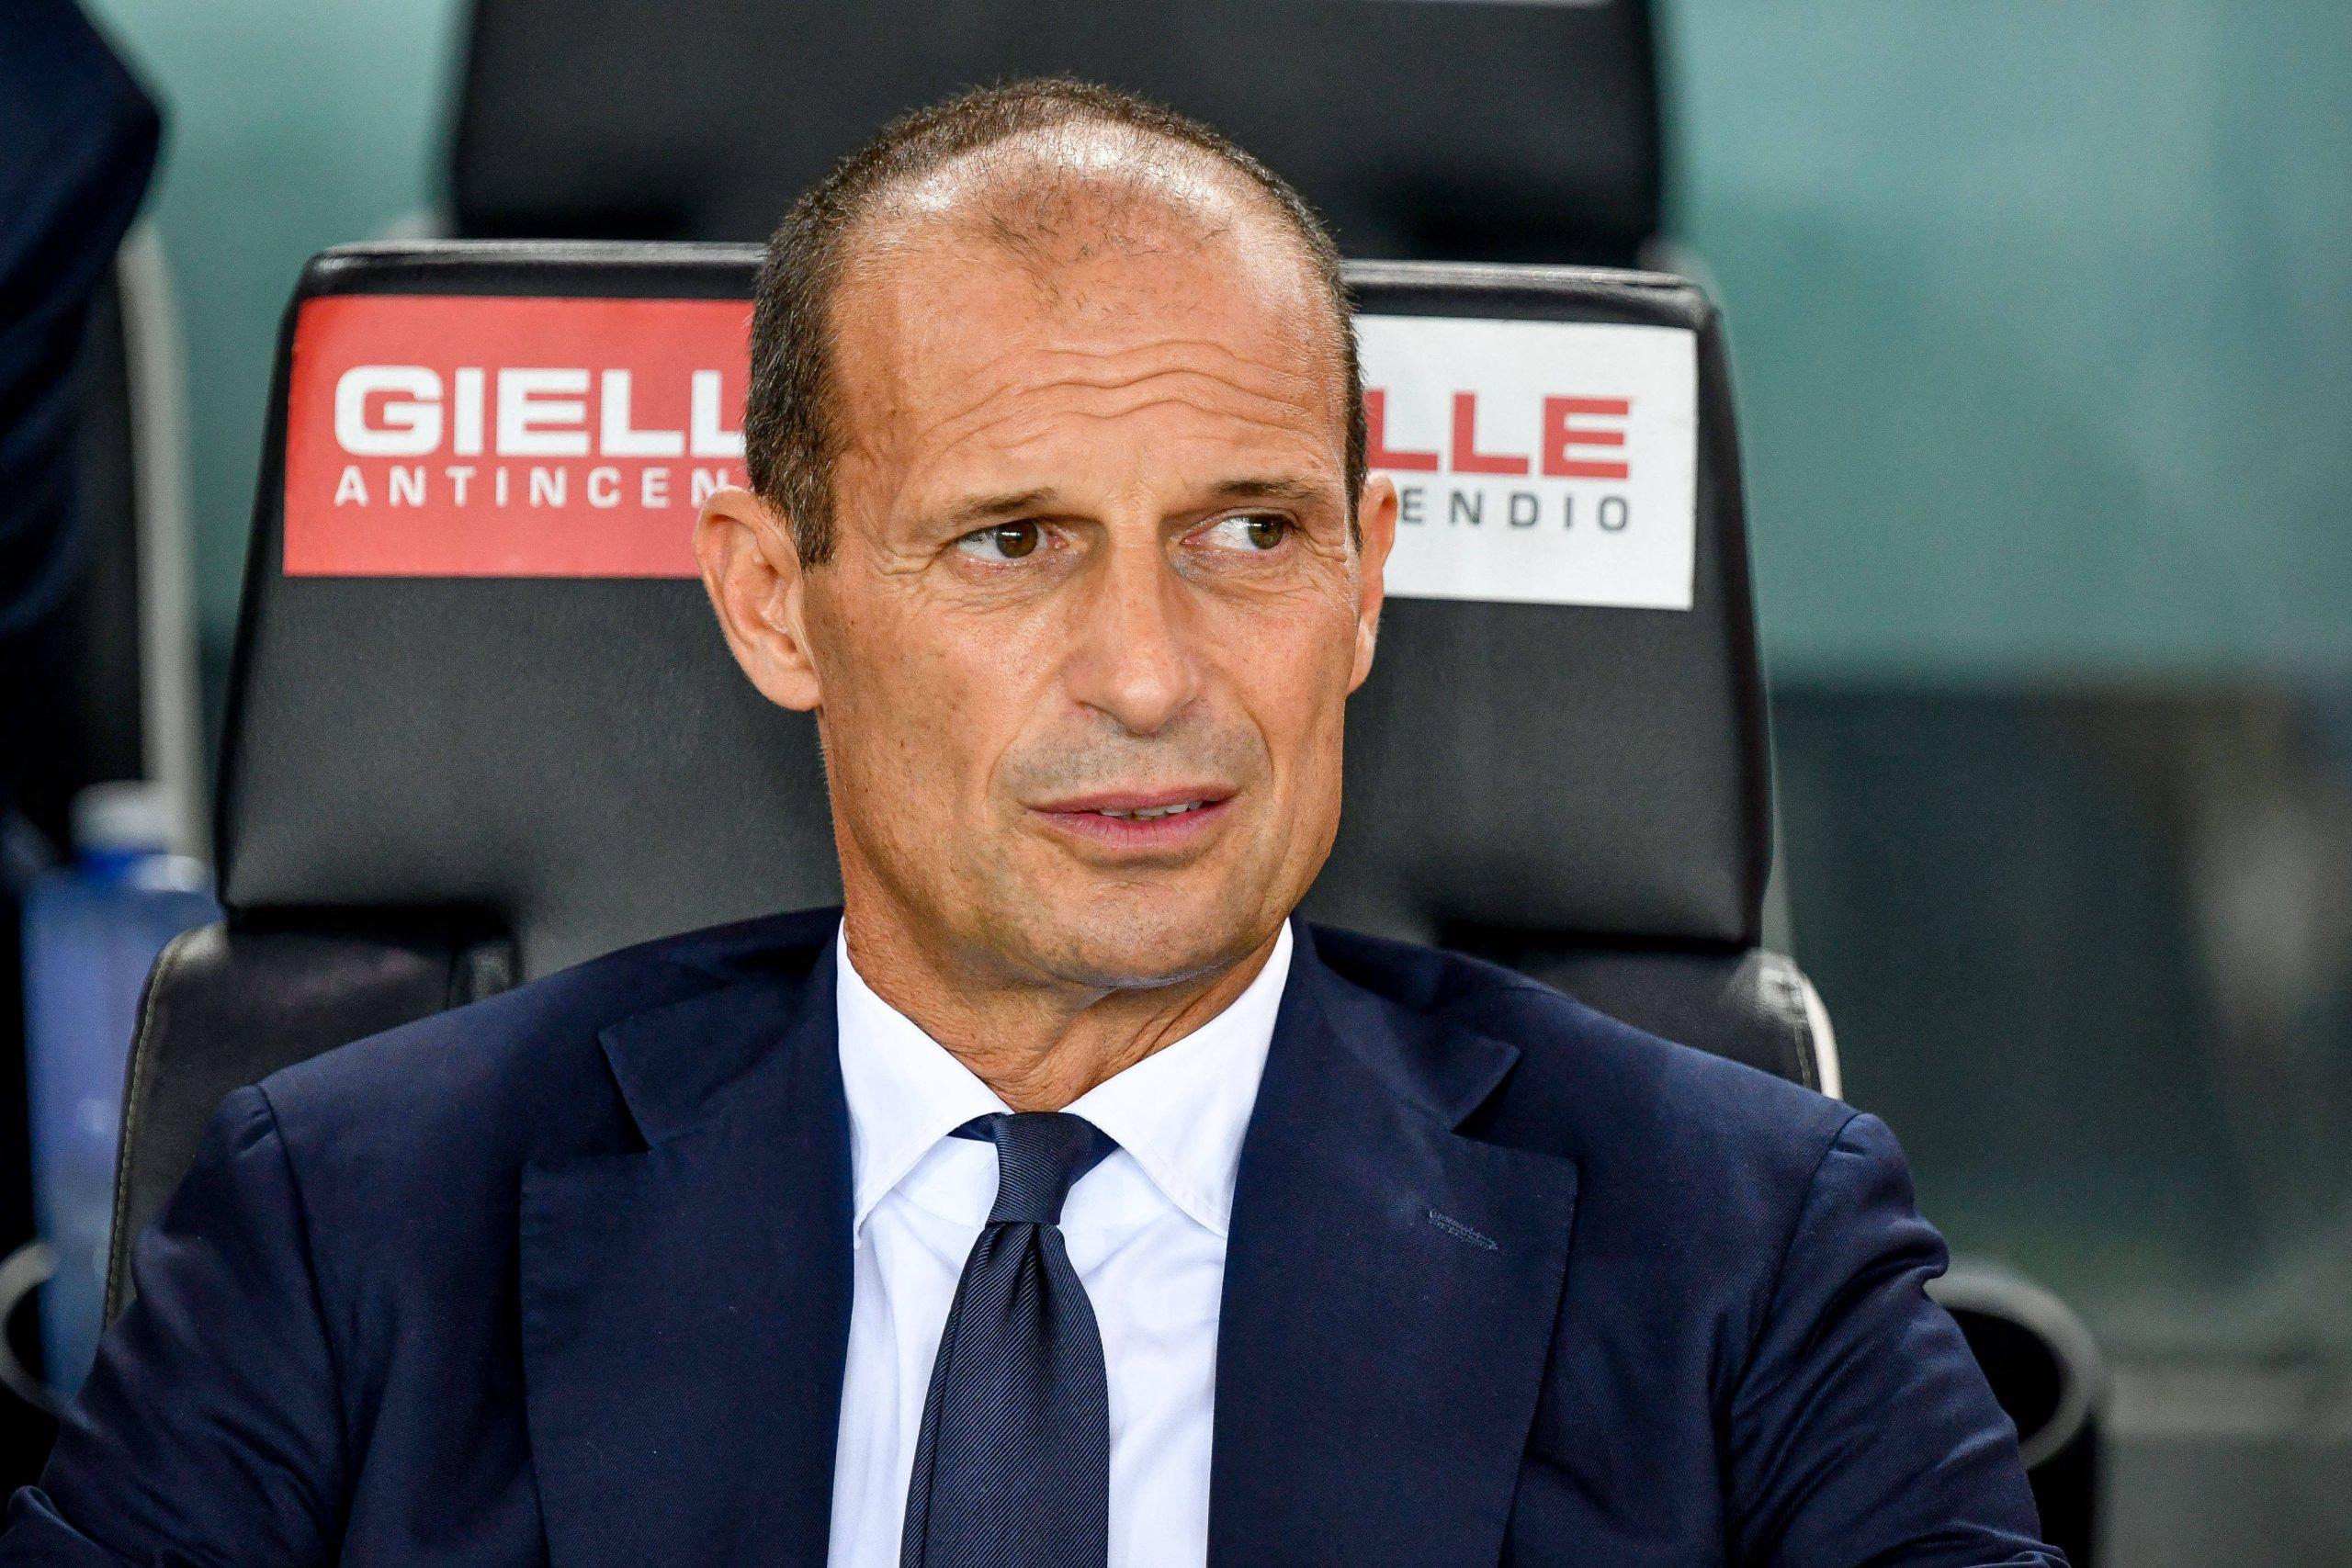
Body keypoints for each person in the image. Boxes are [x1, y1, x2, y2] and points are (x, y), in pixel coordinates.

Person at [1, 79, 2062, 1567]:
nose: (1152, 672)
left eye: (1249, 530)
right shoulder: (351, 1215)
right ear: (769, 595)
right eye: (1012, 542)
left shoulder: (1737, 1245)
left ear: (1366, 575)